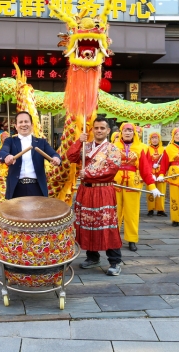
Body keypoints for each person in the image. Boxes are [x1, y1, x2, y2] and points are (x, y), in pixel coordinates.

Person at [66, 116, 122, 276]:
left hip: (103, 191)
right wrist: (78, 141)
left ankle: (115, 261)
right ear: (92, 130)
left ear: (108, 131)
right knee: (87, 223)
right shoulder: (86, 146)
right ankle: (92, 257)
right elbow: (71, 157)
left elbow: (111, 170)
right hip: (85, 191)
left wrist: (88, 173)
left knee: (107, 224)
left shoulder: (113, 149)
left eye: (102, 128)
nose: (99, 131)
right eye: (96, 128)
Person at [114, 123, 162, 252]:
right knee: (114, 212)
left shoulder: (142, 148)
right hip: (115, 183)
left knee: (132, 213)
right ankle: (113, 238)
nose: (128, 132)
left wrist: (152, 186)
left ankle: (131, 239)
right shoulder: (113, 146)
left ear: (134, 132)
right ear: (121, 132)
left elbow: (145, 169)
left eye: (130, 130)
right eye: (125, 130)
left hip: (133, 183)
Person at [0, 111, 61, 199]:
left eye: (26, 121)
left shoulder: (41, 142)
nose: (24, 124)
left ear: (31, 125)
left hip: (37, 188)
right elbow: (2, 152)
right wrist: (6, 156)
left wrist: (56, 158)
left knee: (38, 213)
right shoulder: (10, 141)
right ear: (16, 126)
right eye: (20, 122)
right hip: (16, 188)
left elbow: (54, 154)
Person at [146, 131, 167, 217]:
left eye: (156, 138)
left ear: (159, 139)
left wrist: (160, 167)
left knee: (161, 190)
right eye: (153, 138)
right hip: (151, 173)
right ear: (150, 139)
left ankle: (160, 209)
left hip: (160, 173)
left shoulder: (163, 149)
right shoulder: (147, 149)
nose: (154, 140)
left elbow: (165, 162)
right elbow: (146, 162)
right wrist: (151, 168)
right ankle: (150, 209)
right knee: (150, 190)